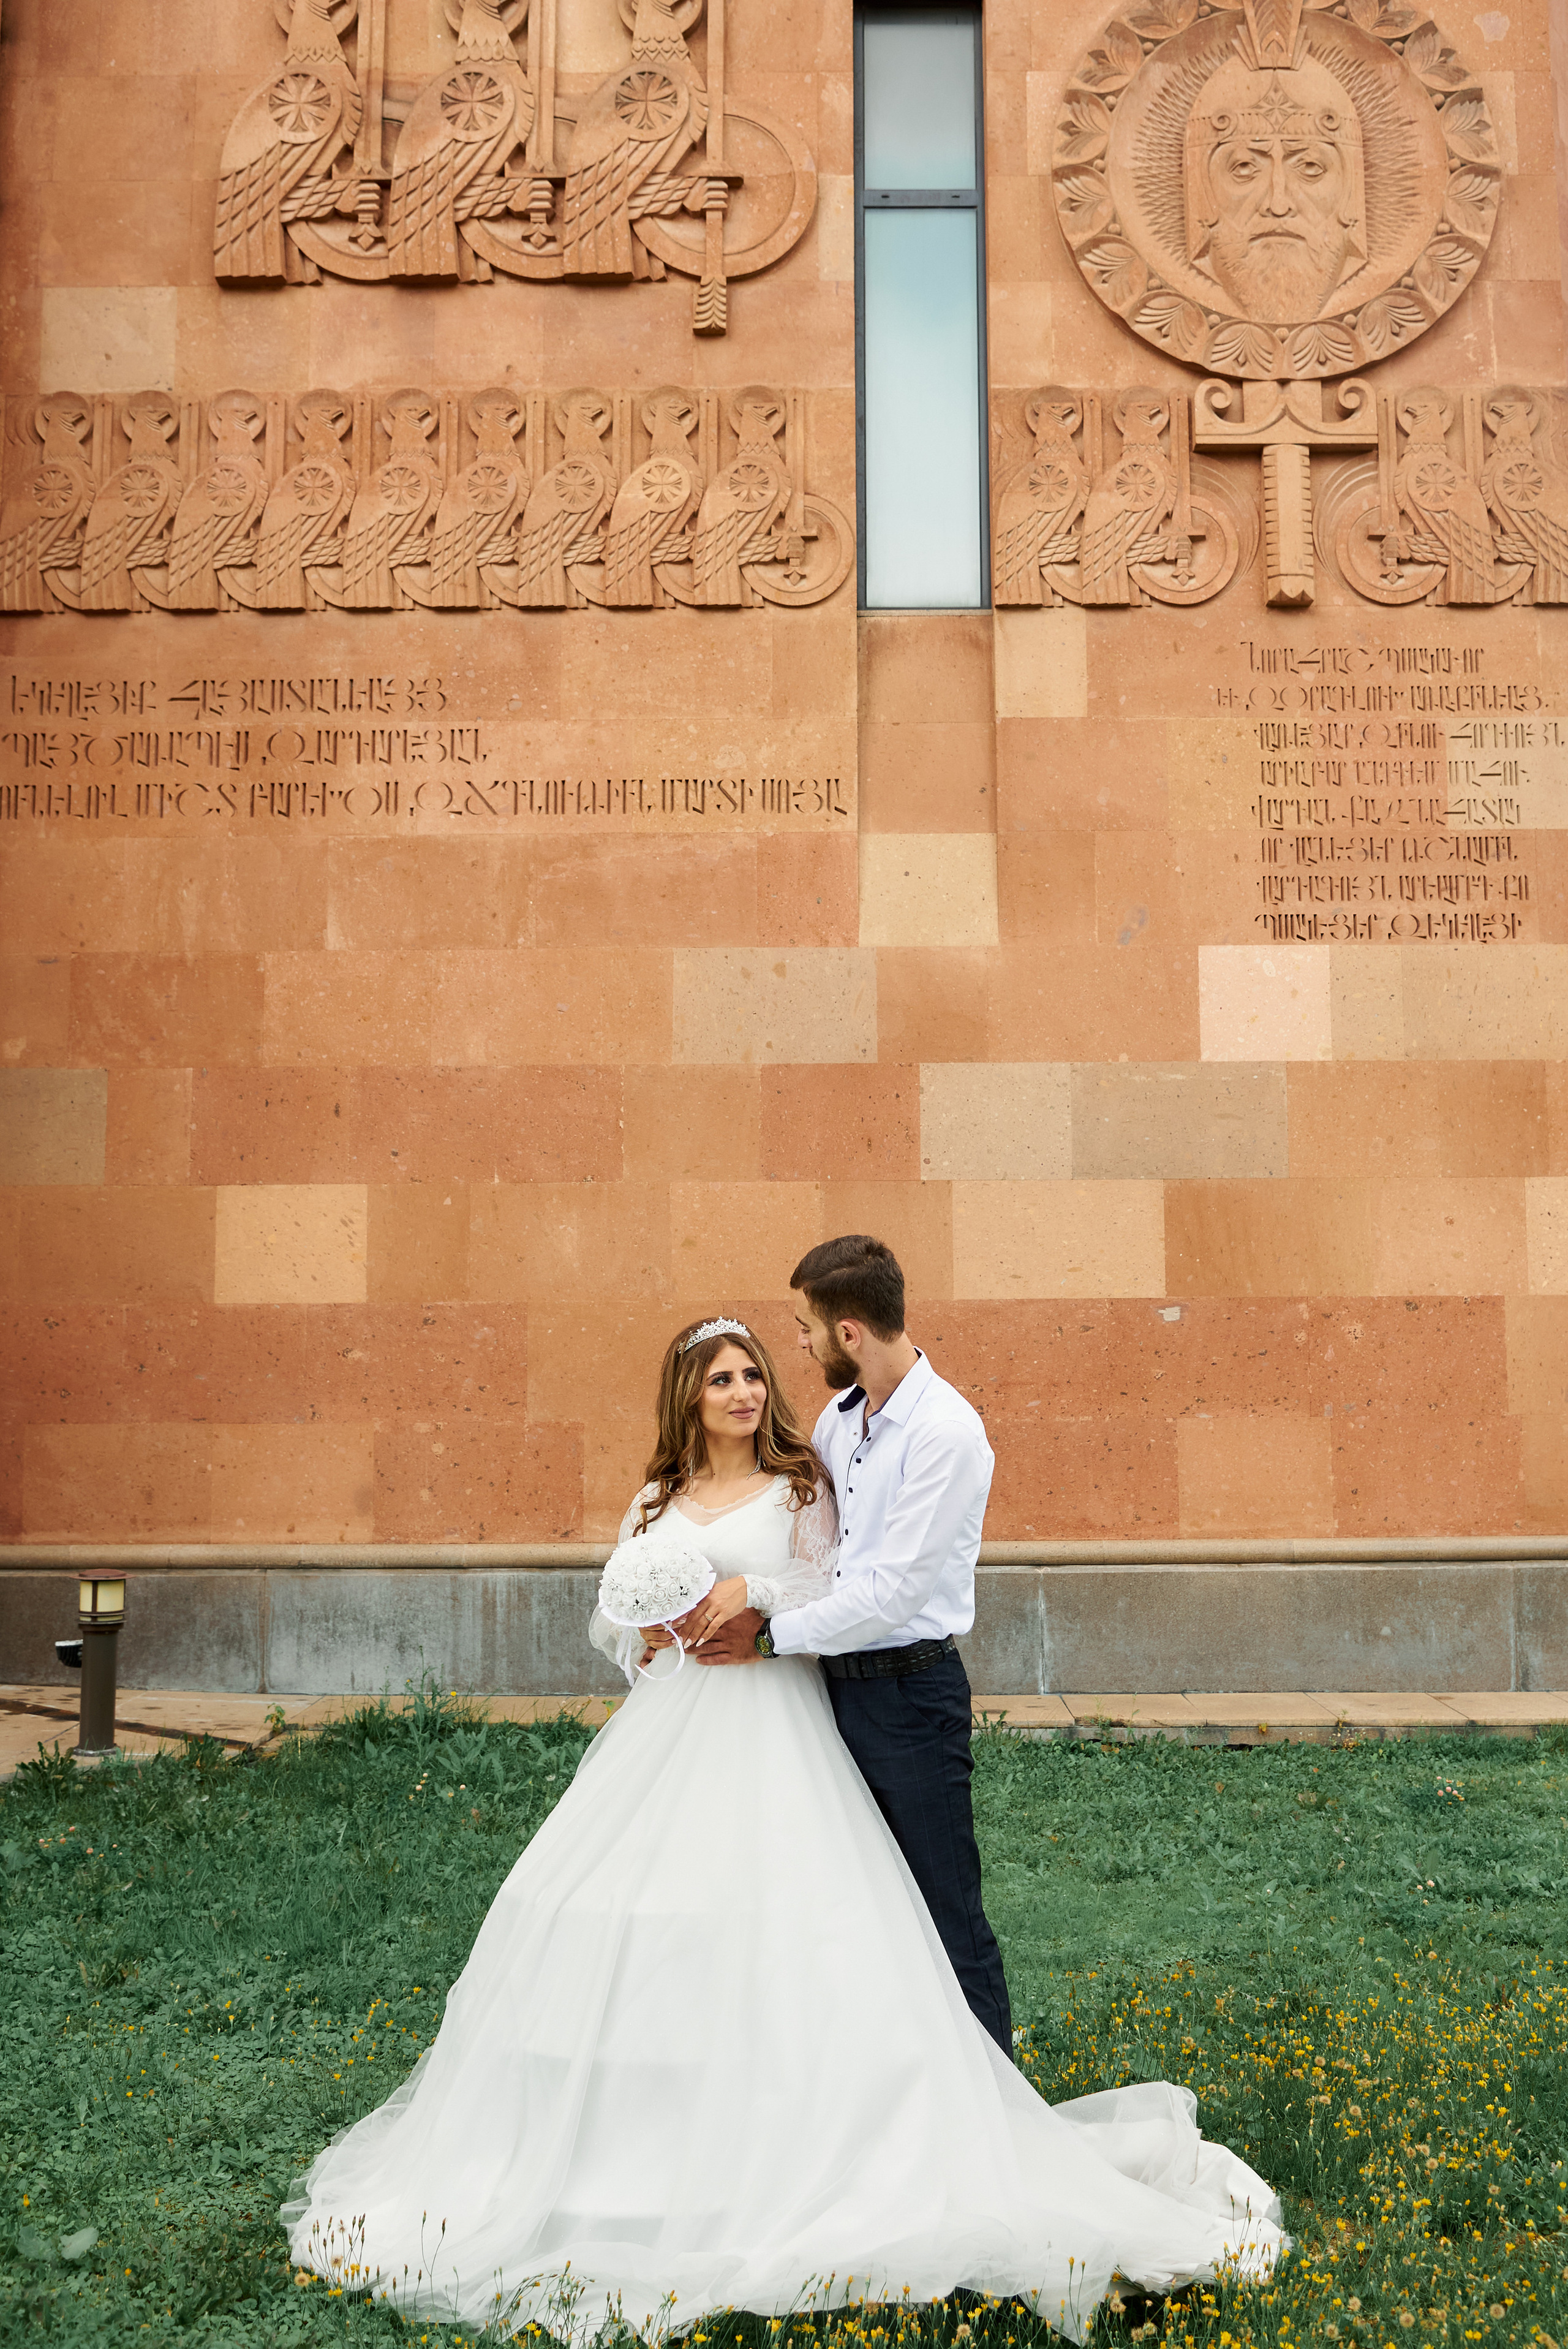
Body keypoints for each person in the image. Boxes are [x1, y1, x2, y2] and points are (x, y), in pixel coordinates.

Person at [285, 1314, 1283, 2343]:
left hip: (781, 1715)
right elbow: (622, 1620)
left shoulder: (804, 1484)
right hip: (673, 1725)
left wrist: (751, 1599)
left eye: (755, 1373)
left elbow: (832, 1586)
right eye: (723, 1379)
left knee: (815, 1921)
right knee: (632, 1921)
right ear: (690, 1397)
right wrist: (661, 1633)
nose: (745, 1392)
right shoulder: (658, 1499)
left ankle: (886, 2141)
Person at [688, 1234, 1010, 2054]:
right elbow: (810, 1551)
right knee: (857, 1910)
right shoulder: (838, 1421)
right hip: (830, 1696)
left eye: (806, 1328)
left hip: (911, 1696)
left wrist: (768, 1636)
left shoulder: (947, 1433)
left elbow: (891, 1592)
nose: (798, 1344)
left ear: (850, 1332)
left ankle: (998, 2122)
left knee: (945, 1914)